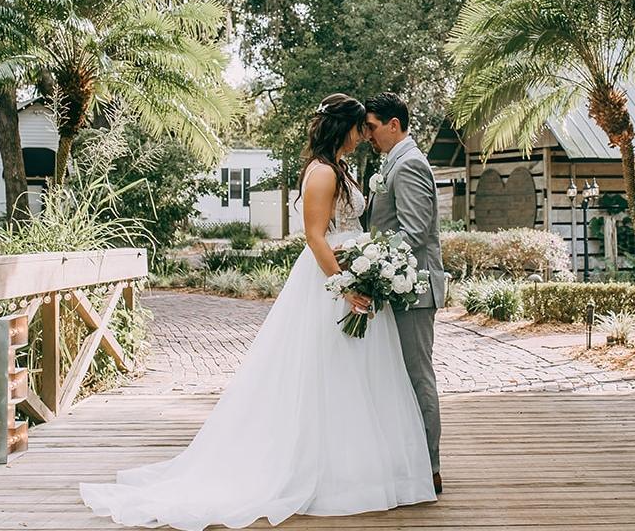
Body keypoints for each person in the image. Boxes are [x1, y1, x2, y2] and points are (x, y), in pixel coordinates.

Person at [79, 93, 436, 530]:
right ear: (343, 129)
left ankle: (354, 467)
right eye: (360, 129)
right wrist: (343, 287)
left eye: (369, 129)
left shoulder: (341, 169)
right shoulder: (322, 173)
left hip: (353, 275)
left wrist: (363, 271)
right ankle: (320, 470)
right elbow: (315, 237)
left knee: (357, 377)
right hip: (331, 281)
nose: (364, 137)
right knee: (325, 375)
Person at [363, 92, 448, 495]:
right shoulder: (394, 162)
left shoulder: (410, 164)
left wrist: (366, 254)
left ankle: (430, 468)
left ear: (393, 125)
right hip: (400, 289)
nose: (368, 134)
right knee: (401, 377)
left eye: (373, 127)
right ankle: (409, 463)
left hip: (414, 289)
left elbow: (414, 232)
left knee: (417, 377)